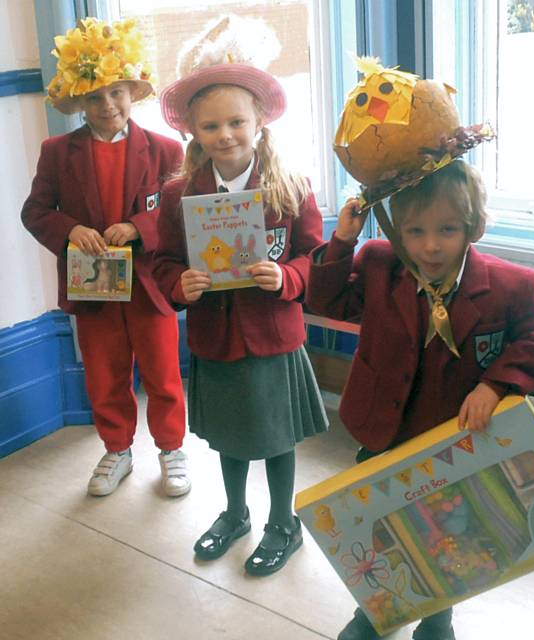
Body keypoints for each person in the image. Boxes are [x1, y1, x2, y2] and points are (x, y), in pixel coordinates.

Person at [306, 159, 534, 639]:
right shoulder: (381, 265)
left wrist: (496, 385)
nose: (429, 245)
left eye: (447, 230)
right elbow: (327, 302)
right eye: (415, 231)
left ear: (475, 227)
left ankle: (438, 614)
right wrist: (342, 241)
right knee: (383, 528)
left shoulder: (511, 285)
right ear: (397, 231)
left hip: (456, 444)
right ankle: (377, 610)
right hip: (383, 433)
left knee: (453, 531)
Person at [154, 14, 329, 576]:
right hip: (215, 338)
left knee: (277, 437)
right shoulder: (179, 193)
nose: (225, 135)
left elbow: (315, 257)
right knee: (230, 437)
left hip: (273, 337)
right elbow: (161, 261)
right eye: (211, 127)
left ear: (259, 123)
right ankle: (235, 513)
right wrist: (177, 284)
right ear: (194, 134)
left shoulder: (290, 187)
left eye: (236, 122)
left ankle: (284, 521)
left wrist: (290, 278)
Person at [21, 18, 190, 498]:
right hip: (92, 284)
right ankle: (117, 448)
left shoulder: (164, 149)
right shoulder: (57, 152)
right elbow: (34, 211)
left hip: (150, 283)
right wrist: (71, 229)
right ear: (79, 102)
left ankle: (171, 448)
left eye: (116, 92)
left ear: (132, 91)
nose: (108, 104)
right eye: (94, 96)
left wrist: (141, 225)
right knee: (103, 370)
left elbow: (179, 211)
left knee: (162, 370)